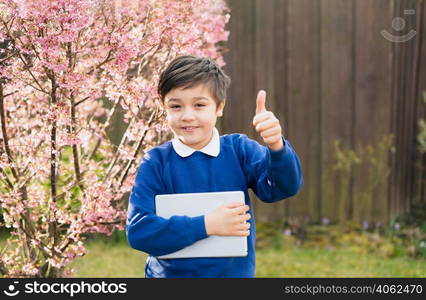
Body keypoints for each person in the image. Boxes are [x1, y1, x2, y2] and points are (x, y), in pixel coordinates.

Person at [126, 55, 303, 278]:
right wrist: (208, 224)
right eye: (176, 106)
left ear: (219, 107)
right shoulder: (155, 162)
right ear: (164, 108)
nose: (187, 116)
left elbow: (281, 188)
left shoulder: (239, 150)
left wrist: (276, 145)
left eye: (199, 105)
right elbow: (140, 232)